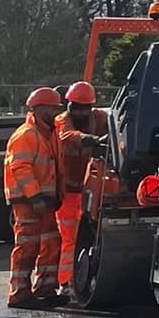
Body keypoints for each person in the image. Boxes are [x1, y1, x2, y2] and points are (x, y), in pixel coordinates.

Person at [2, 88, 64, 308]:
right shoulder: (26, 135)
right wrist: (35, 196)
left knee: (50, 242)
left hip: (44, 201)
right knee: (28, 246)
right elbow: (21, 168)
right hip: (29, 202)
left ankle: (45, 288)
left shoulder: (48, 133)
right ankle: (19, 292)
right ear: (38, 109)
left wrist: (54, 196)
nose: (56, 112)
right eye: (52, 108)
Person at [54, 81, 107, 293]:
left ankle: (83, 277)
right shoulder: (62, 121)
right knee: (70, 238)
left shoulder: (101, 118)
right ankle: (66, 283)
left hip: (90, 190)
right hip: (67, 192)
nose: (79, 111)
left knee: (90, 234)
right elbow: (67, 137)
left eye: (83, 107)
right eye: (75, 106)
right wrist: (93, 140)